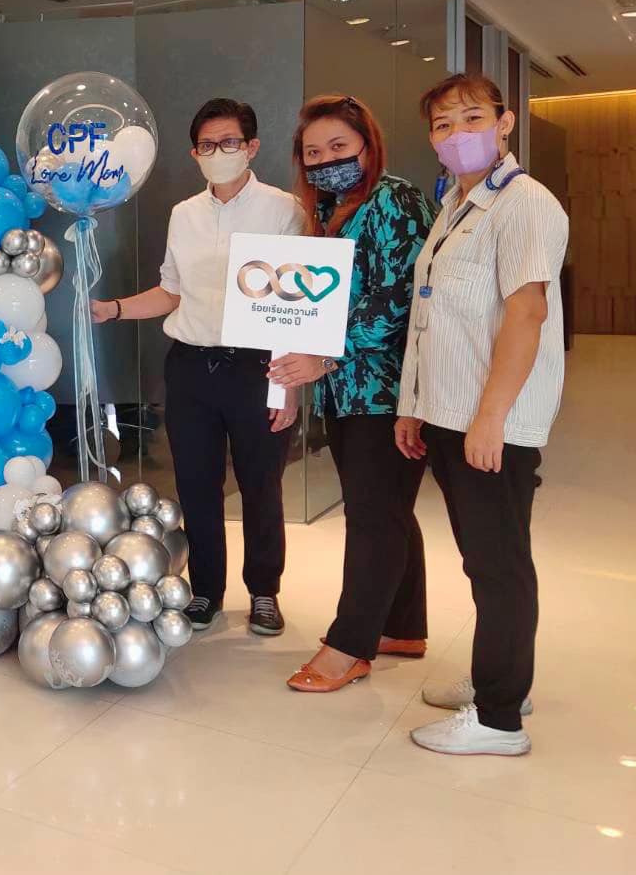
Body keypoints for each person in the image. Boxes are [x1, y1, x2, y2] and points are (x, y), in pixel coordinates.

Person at [399, 74, 567, 757]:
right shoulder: (454, 205)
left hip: (490, 420)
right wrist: (414, 408)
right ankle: (500, 678)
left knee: (499, 565)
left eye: (471, 117)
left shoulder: (524, 203)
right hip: (448, 412)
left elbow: (526, 313)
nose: (457, 133)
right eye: (442, 124)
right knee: (483, 559)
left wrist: (491, 418)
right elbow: (433, 317)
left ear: (504, 122)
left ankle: (499, 721)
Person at [93, 98, 304, 635]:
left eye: (229, 142)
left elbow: (297, 301)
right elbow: (171, 292)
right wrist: (113, 309)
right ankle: (207, 589)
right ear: (194, 153)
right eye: (207, 145)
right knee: (196, 486)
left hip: (258, 369)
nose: (218, 152)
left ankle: (264, 591)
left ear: (252, 147)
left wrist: (289, 386)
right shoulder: (183, 213)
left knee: (261, 486)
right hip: (190, 368)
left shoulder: (284, 209)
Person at [267, 95, 434, 692]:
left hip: (387, 391)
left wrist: (324, 354)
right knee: (386, 509)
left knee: (371, 518)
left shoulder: (395, 199)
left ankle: (350, 645)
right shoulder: (329, 209)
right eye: (313, 153)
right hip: (343, 390)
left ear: (368, 145)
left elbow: (398, 302)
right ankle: (402, 627)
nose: (326, 160)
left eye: (339, 146)